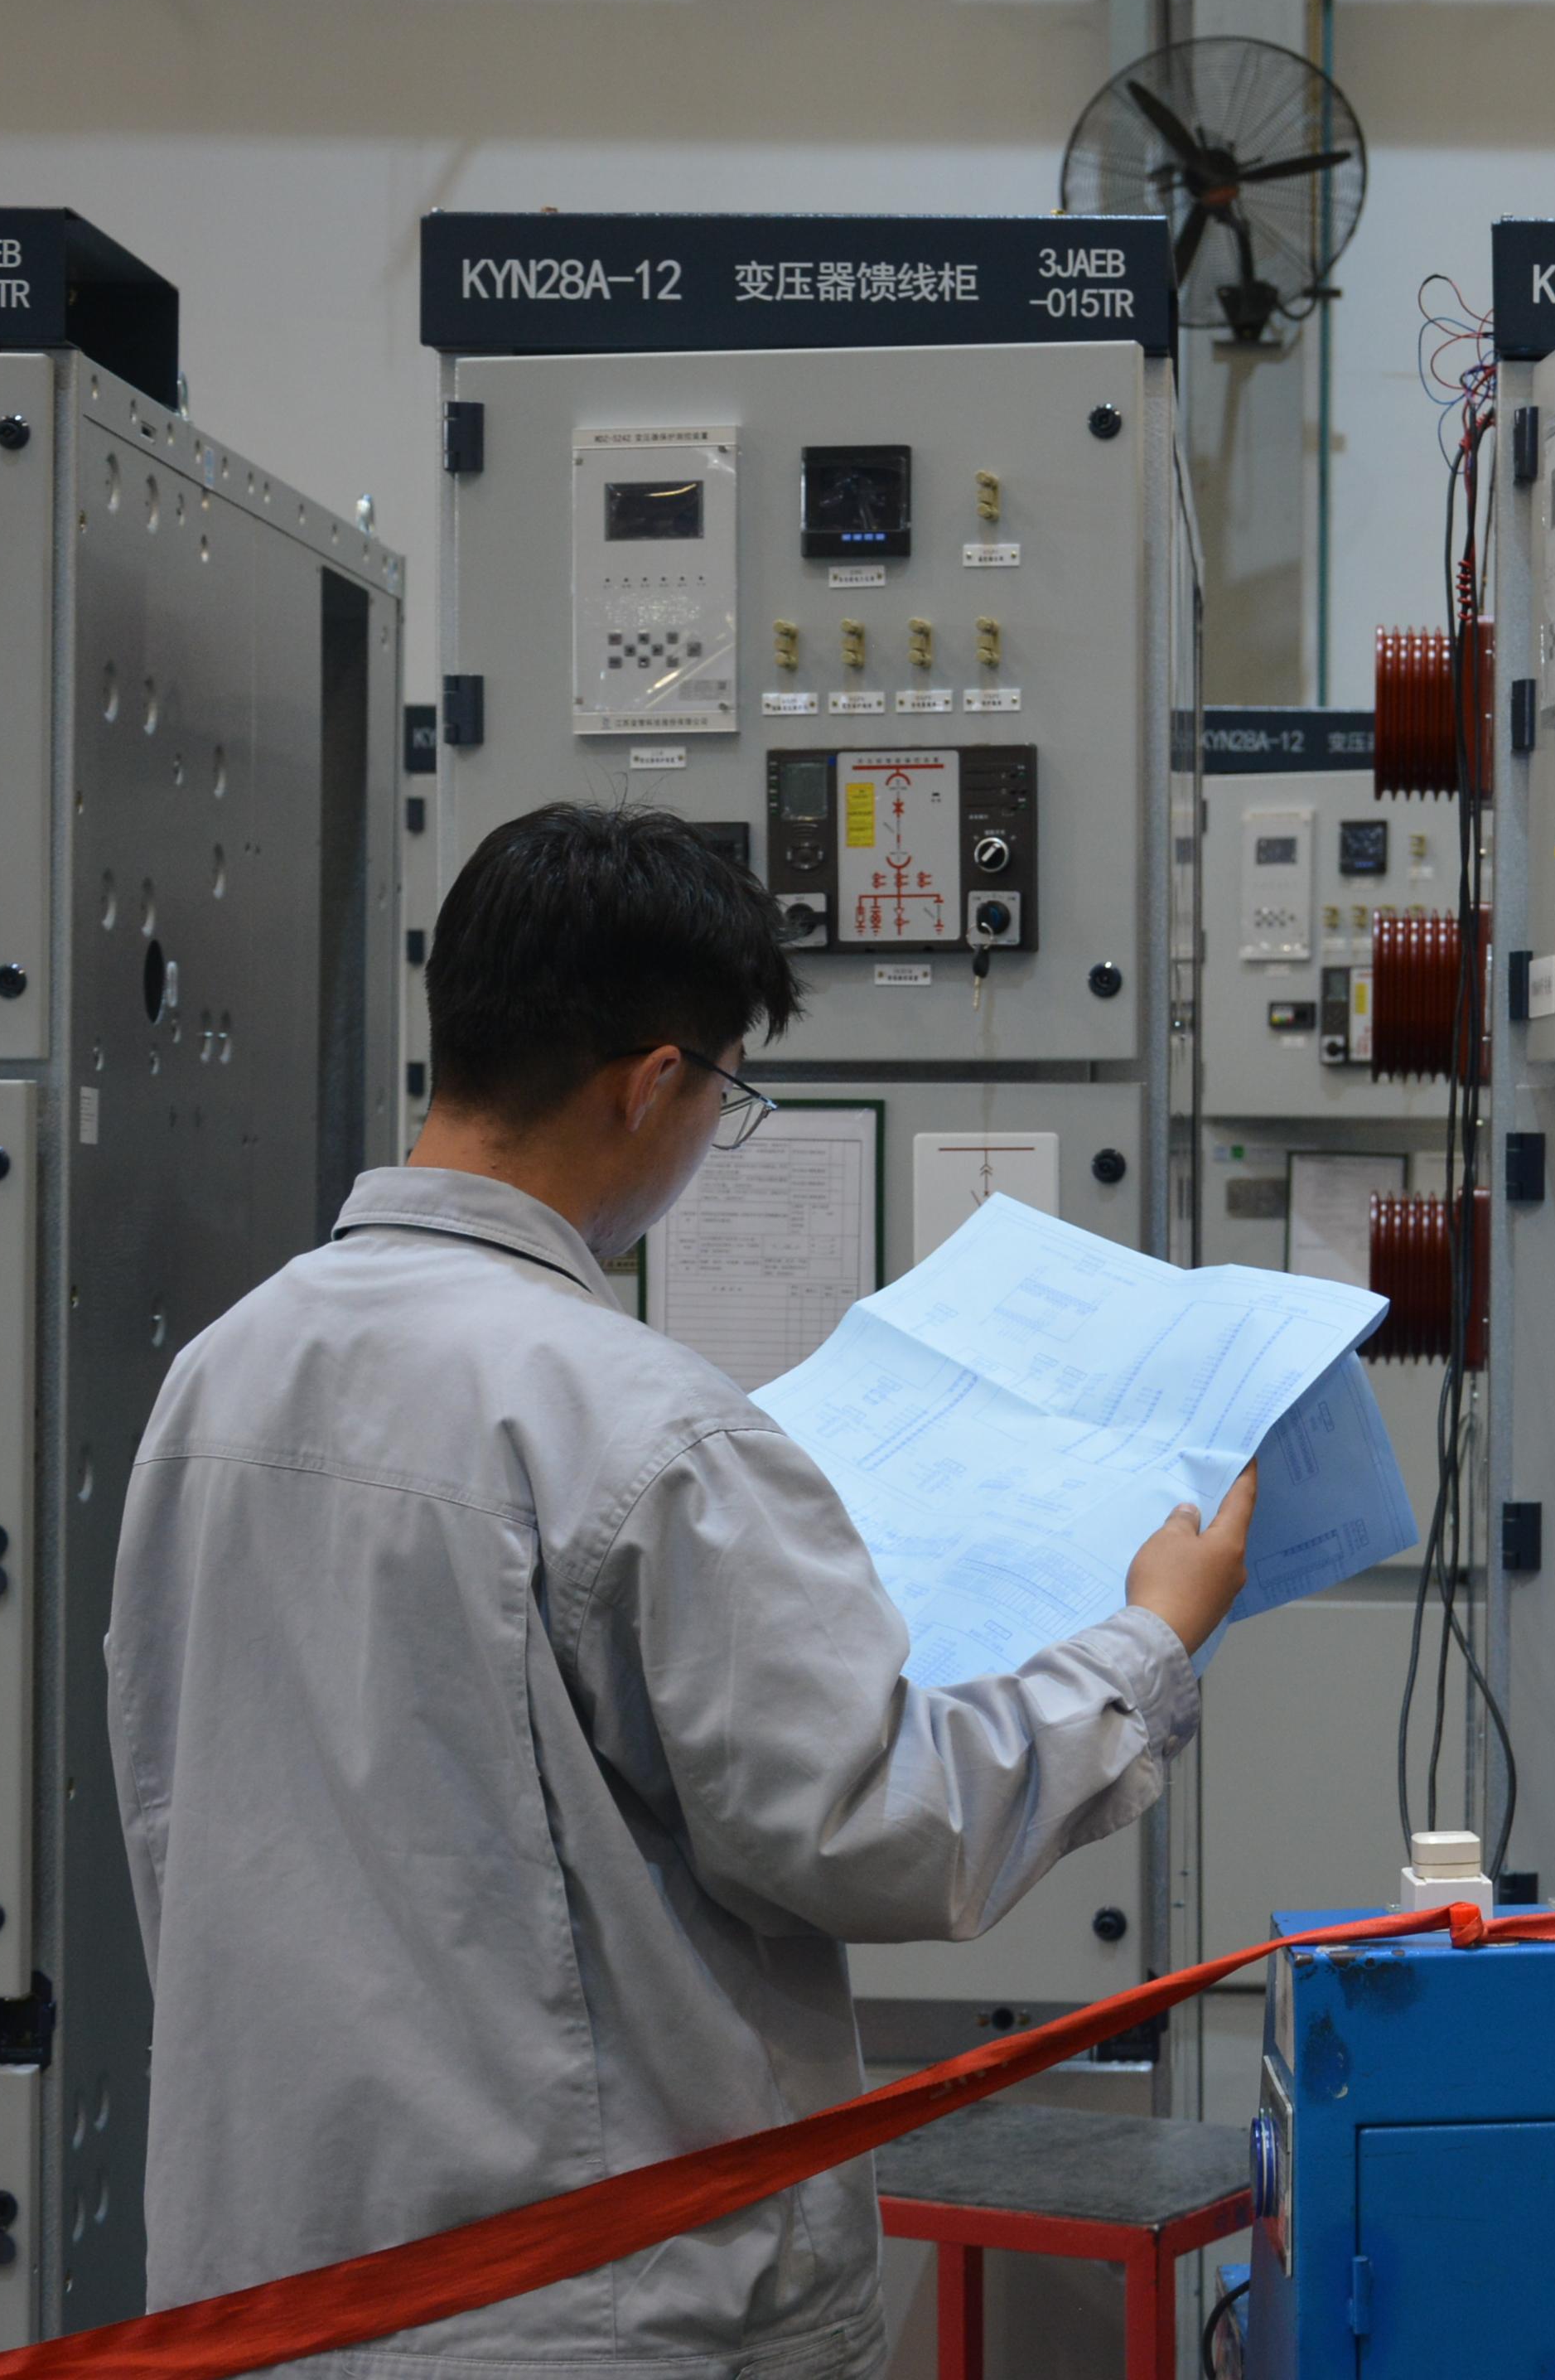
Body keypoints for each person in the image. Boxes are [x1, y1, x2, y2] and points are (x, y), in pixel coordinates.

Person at [106, 803, 1253, 2378]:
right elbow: (876, 1830)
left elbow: (175, 1795)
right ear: (653, 1084)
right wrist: (1147, 1644)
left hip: (272, 2286)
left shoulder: (221, 1376)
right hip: (584, 2314)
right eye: (729, 1093)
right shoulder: (646, 1426)